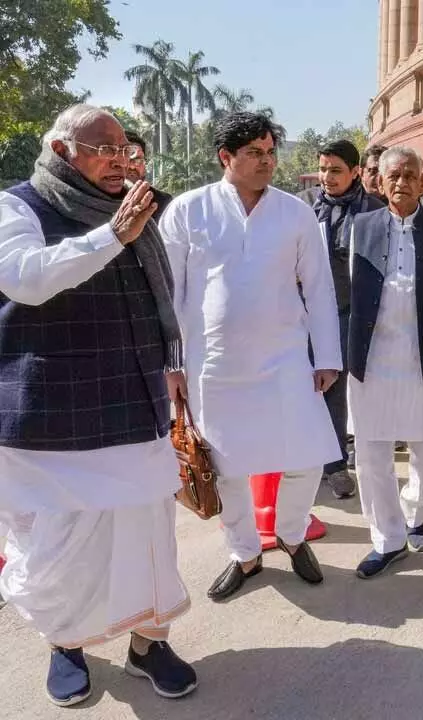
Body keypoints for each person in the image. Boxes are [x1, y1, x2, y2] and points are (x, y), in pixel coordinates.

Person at [0, 104, 196, 705]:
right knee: (60, 543)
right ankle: (67, 645)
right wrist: (113, 236)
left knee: (148, 530)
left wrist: (176, 368)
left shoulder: (133, 209)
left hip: (134, 401)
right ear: (62, 152)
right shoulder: (18, 205)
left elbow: (161, 297)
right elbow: (25, 278)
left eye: (125, 150)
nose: (121, 160)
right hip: (52, 414)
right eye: (104, 149)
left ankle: (148, 643)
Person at [160, 112, 342, 602]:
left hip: (285, 359)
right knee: (229, 468)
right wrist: (171, 364)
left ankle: (290, 533)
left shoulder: (295, 213)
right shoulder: (186, 210)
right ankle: (244, 553)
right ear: (226, 158)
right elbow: (169, 293)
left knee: (307, 457)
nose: (267, 162)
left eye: (270, 152)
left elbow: (319, 288)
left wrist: (326, 356)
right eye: (255, 154)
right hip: (212, 365)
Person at [344, 147, 423, 578]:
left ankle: (416, 509)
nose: (401, 182)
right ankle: (387, 538)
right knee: (371, 454)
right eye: (393, 175)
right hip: (372, 358)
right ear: (380, 180)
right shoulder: (363, 226)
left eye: (411, 174)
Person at [298, 139, 386, 500]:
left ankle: (338, 465)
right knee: (308, 387)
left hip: (355, 313)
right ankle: (309, 461)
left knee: (342, 388)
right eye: (323, 169)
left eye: (335, 170)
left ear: (356, 172)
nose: (327, 177)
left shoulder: (375, 211)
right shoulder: (303, 208)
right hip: (307, 313)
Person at [123, 130, 173, 221]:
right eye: (127, 160)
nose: (132, 166)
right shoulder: (100, 201)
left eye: (138, 160)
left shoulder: (164, 201)